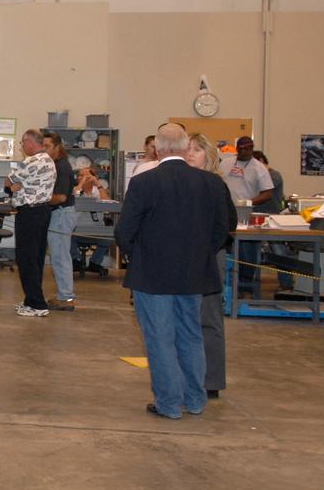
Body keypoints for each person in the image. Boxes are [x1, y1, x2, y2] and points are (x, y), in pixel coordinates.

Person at [115, 123, 230, 419]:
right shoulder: (211, 183)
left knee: (159, 337)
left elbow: (125, 231)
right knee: (191, 335)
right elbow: (223, 229)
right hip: (194, 272)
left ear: (159, 148)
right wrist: (201, 254)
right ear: (183, 147)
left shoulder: (144, 182)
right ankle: (195, 400)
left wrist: (137, 255)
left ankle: (168, 403)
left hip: (152, 273)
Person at [186, 132, 238, 399]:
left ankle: (211, 379)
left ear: (209, 154)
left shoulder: (217, 185)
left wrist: (205, 249)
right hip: (182, 257)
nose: (191, 153)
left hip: (209, 256)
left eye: (197, 149)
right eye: (188, 149)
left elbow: (228, 224)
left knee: (209, 318)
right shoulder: (181, 182)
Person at [6, 129, 57, 317]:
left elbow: (8, 181)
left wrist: (15, 186)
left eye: (22, 142)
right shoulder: (49, 161)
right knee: (36, 258)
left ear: (29, 142)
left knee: (26, 258)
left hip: (29, 213)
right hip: (43, 211)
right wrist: (17, 185)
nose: (22, 146)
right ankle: (31, 299)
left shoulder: (30, 161)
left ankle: (37, 304)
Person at [219, 135, 274, 296]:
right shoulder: (226, 163)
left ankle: (245, 286)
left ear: (252, 148)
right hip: (226, 212)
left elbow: (268, 193)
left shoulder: (259, 168)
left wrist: (249, 201)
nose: (244, 151)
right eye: (241, 148)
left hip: (246, 214)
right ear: (237, 149)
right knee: (225, 248)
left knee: (247, 250)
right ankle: (225, 285)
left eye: (247, 148)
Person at [42, 131, 77, 311]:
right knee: (58, 256)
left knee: (61, 256)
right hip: (59, 214)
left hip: (62, 214)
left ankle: (66, 297)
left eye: (48, 146)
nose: (45, 150)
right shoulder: (54, 164)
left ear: (57, 146)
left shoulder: (62, 167)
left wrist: (40, 199)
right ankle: (65, 294)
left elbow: (61, 197)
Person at [252, 150, 292, 290]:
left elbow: (264, 193)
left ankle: (286, 283)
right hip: (256, 218)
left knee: (279, 251)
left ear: (263, 161)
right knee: (254, 252)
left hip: (273, 219)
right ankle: (253, 286)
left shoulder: (274, 176)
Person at [70, 167, 111, 277]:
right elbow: (74, 197)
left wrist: (98, 184)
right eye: (79, 175)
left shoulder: (99, 191)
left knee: (109, 236)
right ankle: (76, 260)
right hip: (76, 231)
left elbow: (108, 204)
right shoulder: (75, 190)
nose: (80, 178)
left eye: (84, 175)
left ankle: (95, 263)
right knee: (65, 232)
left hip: (96, 231)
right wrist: (81, 184)